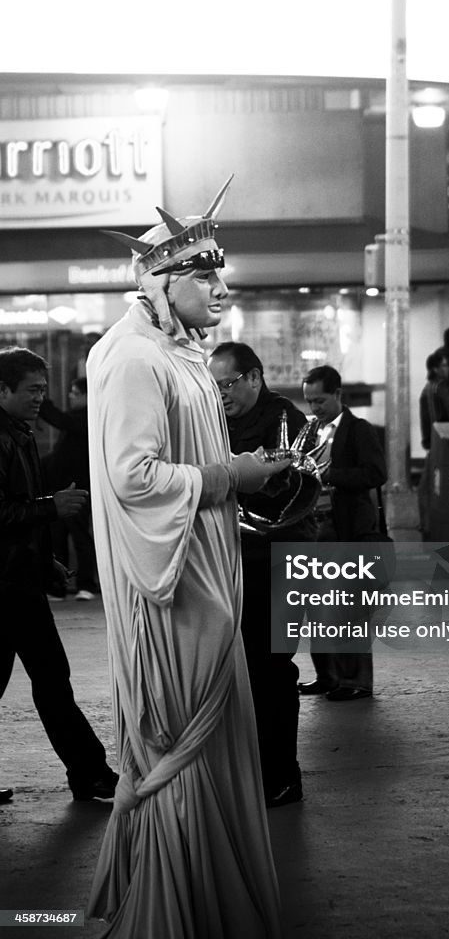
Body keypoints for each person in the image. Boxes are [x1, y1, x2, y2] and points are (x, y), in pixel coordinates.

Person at [86, 183, 289, 938]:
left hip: (202, 569)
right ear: (162, 278)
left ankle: (209, 903)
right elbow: (132, 478)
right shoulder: (133, 357)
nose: (221, 289)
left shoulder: (177, 351)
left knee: (216, 738)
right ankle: (177, 908)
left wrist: (242, 466)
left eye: (219, 272)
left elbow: (185, 460)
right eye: (206, 274)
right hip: (170, 587)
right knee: (188, 740)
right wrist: (228, 477)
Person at [0, 346, 118, 803]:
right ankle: (90, 773)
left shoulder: (20, 431)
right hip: (7, 589)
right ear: (2, 390)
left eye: (43, 390)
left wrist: (42, 557)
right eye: (31, 390)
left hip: (18, 581)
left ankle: (89, 773)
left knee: (52, 679)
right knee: (52, 679)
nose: (38, 399)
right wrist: (52, 508)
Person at [208, 340, 316, 809]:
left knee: (273, 670)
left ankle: (282, 776)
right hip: (235, 563)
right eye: (215, 387)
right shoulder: (217, 423)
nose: (222, 394)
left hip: (280, 563)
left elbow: (285, 490)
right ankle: (251, 770)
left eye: (228, 384)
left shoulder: (283, 421)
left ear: (254, 377)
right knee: (242, 671)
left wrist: (235, 479)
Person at [298, 365, 387, 701]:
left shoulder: (358, 429)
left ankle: (357, 681)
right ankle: (327, 675)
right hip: (315, 527)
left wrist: (331, 474)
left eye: (319, 400)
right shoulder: (309, 431)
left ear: (337, 395)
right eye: (309, 401)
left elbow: (376, 472)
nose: (314, 407)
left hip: (348, 528)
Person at [39, 376, 99, 600]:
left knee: (80, 536)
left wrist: (43, 402)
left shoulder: (89, 419)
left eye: (75, 392)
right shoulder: (75, 419)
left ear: (86, 395)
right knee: (58, 537)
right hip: (60, 488)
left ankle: (86, 585)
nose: (70, 396)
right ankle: (58, 586)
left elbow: (60, 420)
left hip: (78, 489)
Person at [418, 348, 449, 538]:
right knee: (428, 487)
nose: (447, 368)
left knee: (429, 486)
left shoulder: (432, 388)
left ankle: (429, 526)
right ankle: (428, 527)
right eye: (443, 365)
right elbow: (439, 419)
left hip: (436, 445)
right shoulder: (436, 388)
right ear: (434, 369)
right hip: (439, 445)